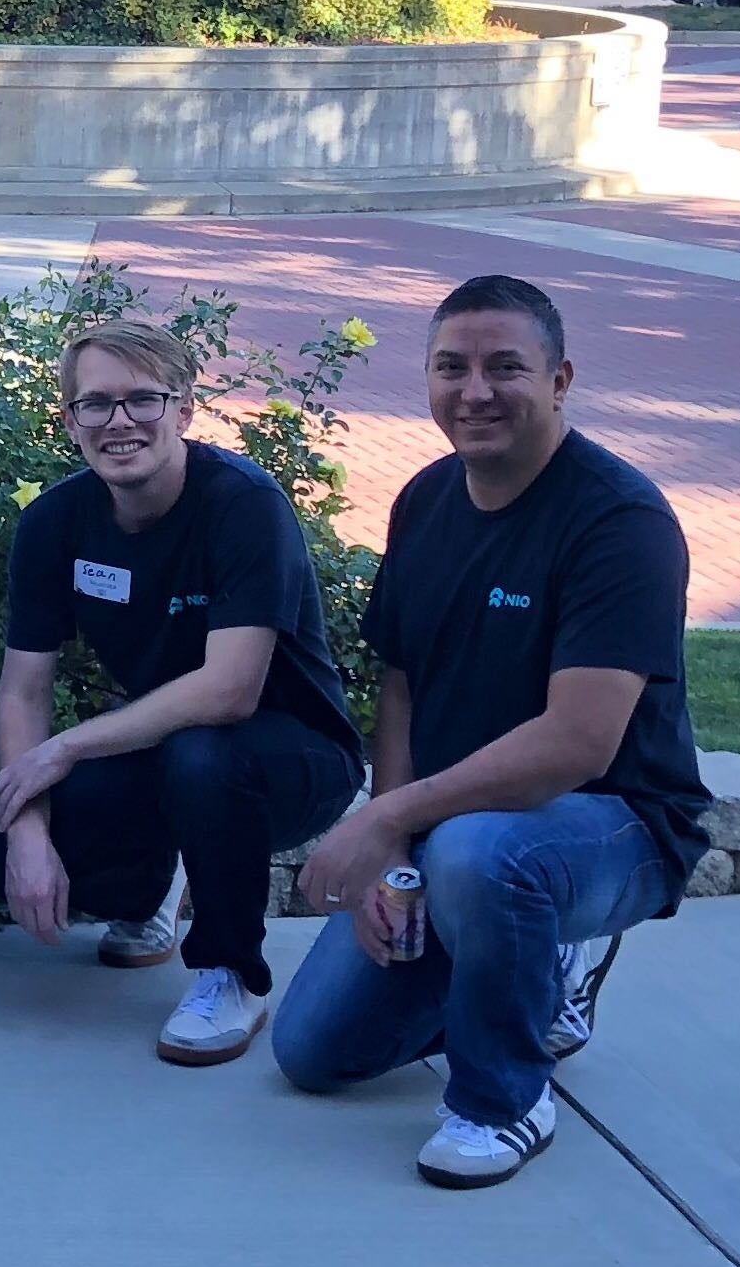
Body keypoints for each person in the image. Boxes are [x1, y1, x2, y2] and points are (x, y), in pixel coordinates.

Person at [274, 276, 710, 1189]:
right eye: (451, 368)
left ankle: (502, 1102)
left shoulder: (620, 523)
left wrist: (396, 823)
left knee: (483, 856)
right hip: (458, 830)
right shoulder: (428, 498)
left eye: (506, 367)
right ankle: (531, 970)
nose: (475, 391)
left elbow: (576, 745)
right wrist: (395, 845)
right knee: (315, 1052)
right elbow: (400, 681)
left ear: (560, 381)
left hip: (616, 822)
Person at [0, 319, 365, 1066]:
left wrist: (65, 749)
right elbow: (23, 690)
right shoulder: (56, 522)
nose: (118, 422)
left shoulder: (243, 505)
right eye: (95, 404)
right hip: (168, 746)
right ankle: (154, 891)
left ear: (184, 410)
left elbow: (229, 692)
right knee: (2, 852)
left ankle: (231, 973)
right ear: (70, 420)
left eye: (142, 400)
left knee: (204, 754)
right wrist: (27, 831)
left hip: (296, 758)